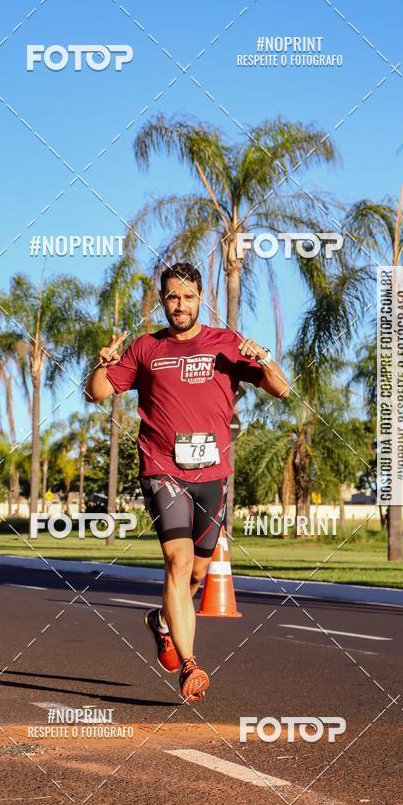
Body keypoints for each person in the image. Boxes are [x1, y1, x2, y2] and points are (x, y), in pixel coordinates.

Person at [85, 262, 289, 701]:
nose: (180, 305)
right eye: (172, 297)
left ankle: (161, 622)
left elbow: (282, 389)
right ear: (163, 301)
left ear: (201, 298)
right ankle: (191, 664)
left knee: (196, 572)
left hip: (212, 474)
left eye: (188, 297)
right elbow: (96, 392)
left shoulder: (226, 343)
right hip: (162, 467)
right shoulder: (146, 348)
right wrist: (101, 365)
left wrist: (263, 358)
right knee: (177, 562)